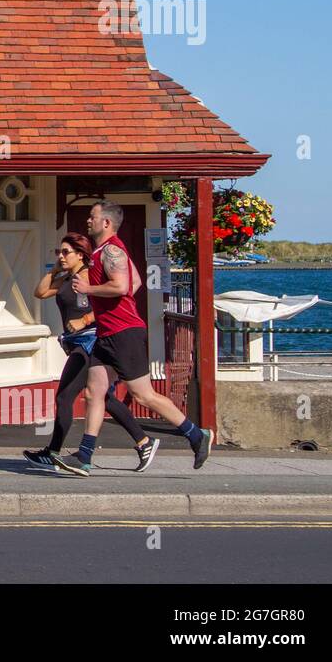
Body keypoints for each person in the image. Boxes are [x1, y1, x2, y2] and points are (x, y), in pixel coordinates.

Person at [55, 201, 213, 475]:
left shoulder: (112, 249)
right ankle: (84, 456)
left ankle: (196, 435)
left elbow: (123, 286)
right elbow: (137, 282)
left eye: (92, 217)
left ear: (106, 223)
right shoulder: (104, 252)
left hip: (124, 332)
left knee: (143, 394)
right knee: (94, 392)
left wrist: (89, 287)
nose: (88, 221)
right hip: (107, 334)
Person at [23, 233, 159, 474]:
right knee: (103, 398)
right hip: (76, 343)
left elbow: (110, 303)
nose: (61, 256)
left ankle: (52, 453)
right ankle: (143, 442)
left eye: (66, 252)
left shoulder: (89, 277)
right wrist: (54, 270)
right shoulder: (67, 279)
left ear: (81, 255)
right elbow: (40, 292)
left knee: (65, 396)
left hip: (90, 341)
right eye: (59, 253)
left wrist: (85, 318)